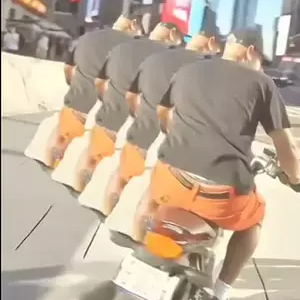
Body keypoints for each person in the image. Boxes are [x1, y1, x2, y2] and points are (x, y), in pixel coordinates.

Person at [134, 28, 300, 300]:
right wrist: (296, 177)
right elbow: (286, 147)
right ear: (250, 51)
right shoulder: (262, 84)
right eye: (261, 59)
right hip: (222, 195)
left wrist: (177, 136)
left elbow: (162, 112)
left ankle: (136, 256)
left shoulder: (188, 70)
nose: (261, 66)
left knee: (151, 193)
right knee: (254, 218)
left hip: (171, 179)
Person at [102, 26, 223, 215]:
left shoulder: (154, 59)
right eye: (219, 49)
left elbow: (131, 95)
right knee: (157, 195)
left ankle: (107, 215)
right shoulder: (206, 70)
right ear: (211, 43)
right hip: (175, 145)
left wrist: (137, 116)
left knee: (122, 177)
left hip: (142, 133)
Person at [72, 21, 184, 193]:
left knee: (95, 162)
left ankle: (79, 191)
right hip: (148, 134)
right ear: (172, 35)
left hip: (111, 121)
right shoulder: (171, 61)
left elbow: (101, 82)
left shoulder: (123, 49)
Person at [43, 11, 146, 170]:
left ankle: (53, 160)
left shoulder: (87, 38)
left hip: (79, 97)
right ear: (132, 25)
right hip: (110, 106)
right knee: (99, 148)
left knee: (65, 133)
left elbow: (68, 67)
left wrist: (71, 83)